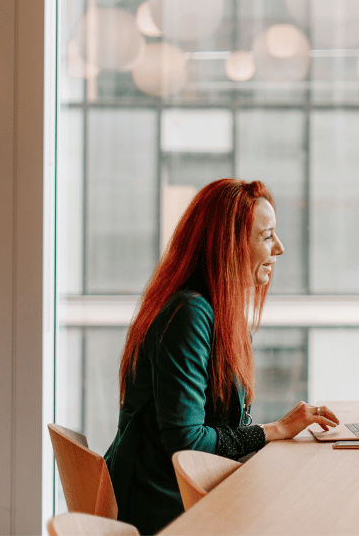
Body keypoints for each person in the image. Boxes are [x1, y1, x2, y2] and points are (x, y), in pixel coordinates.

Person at [104, 179, 339, 534]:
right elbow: (187, 443)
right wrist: (275, 430)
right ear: (228, 247)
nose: (279, 247)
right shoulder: (189, 313)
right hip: (166, 508)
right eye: (266, 236)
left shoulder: (215, 312)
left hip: (183, 494)